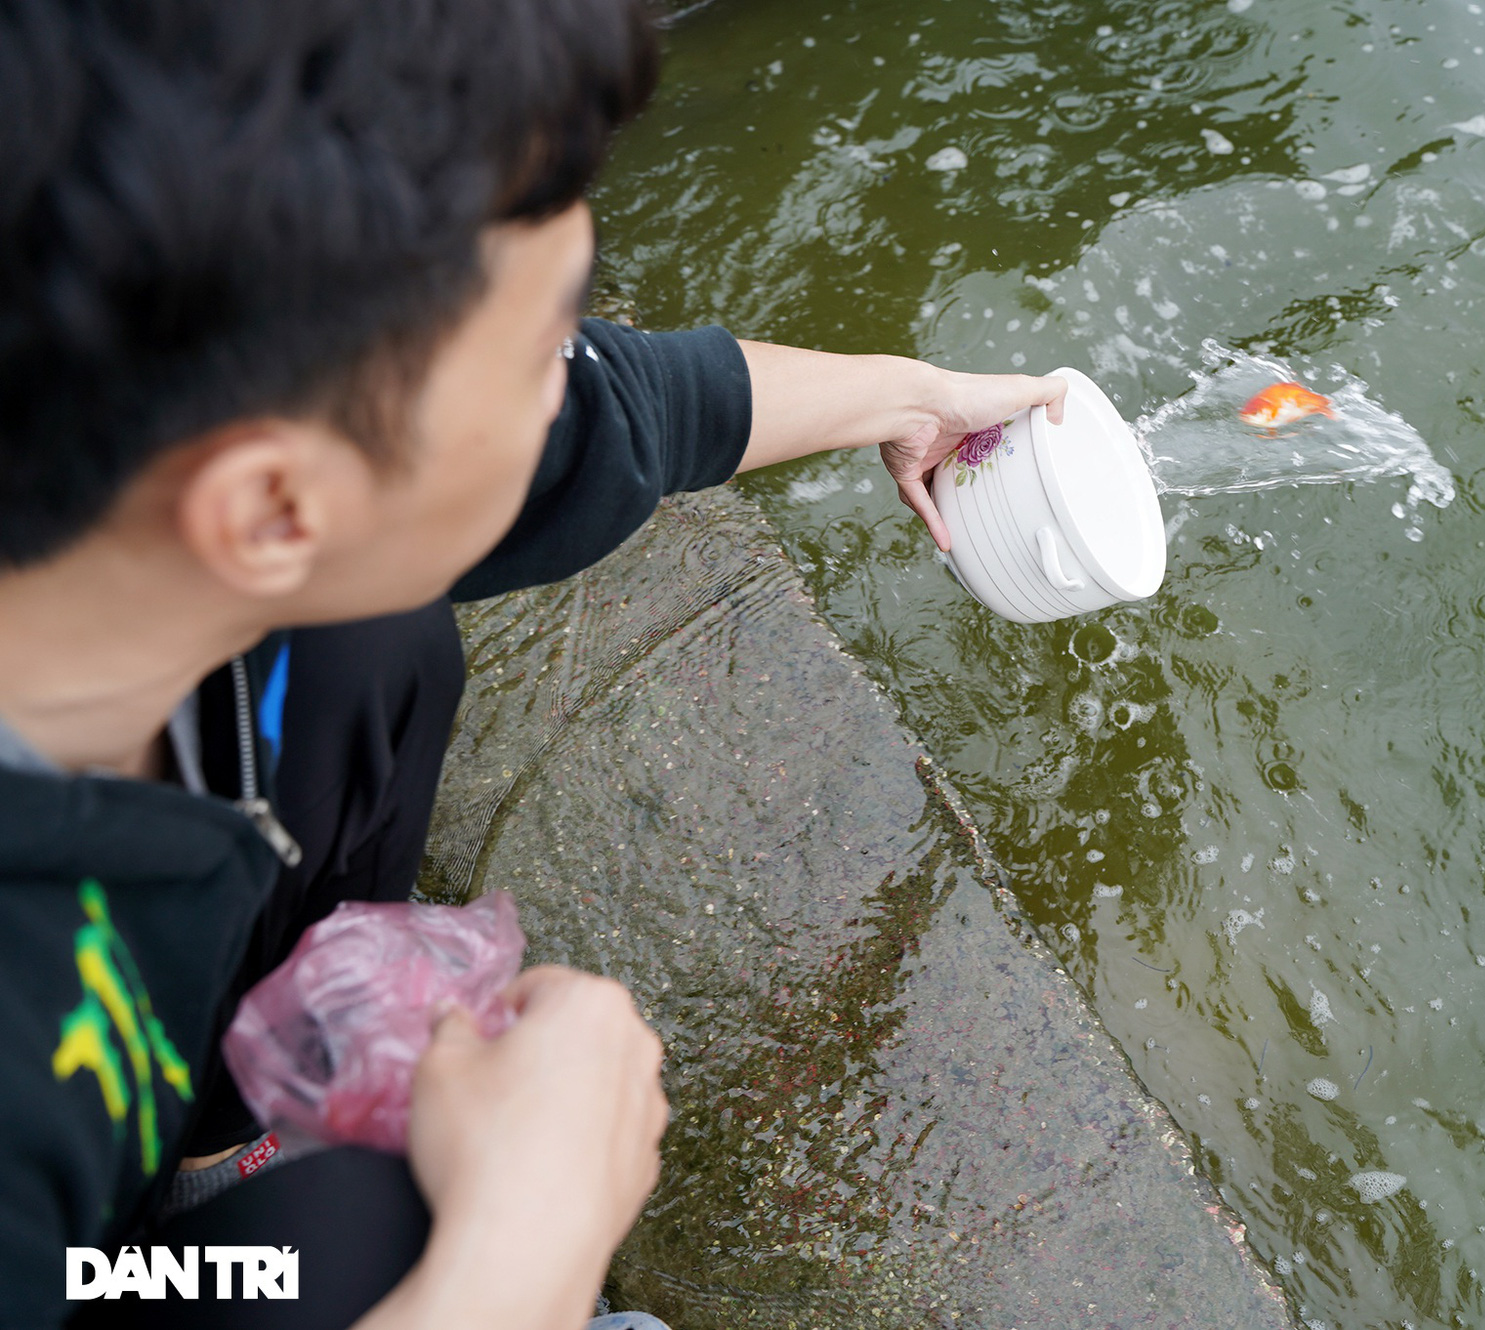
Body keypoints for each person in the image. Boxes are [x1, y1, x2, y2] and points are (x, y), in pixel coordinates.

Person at [0, 0, 1064, 1325]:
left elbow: (621, 415)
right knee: (371, 1234)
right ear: (272, 510)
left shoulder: (121, 503)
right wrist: (534, 1227)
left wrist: (914, 398)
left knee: (365, 652)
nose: (574, 381)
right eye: (534, 360)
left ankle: (229, 1135)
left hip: (123, 1086)